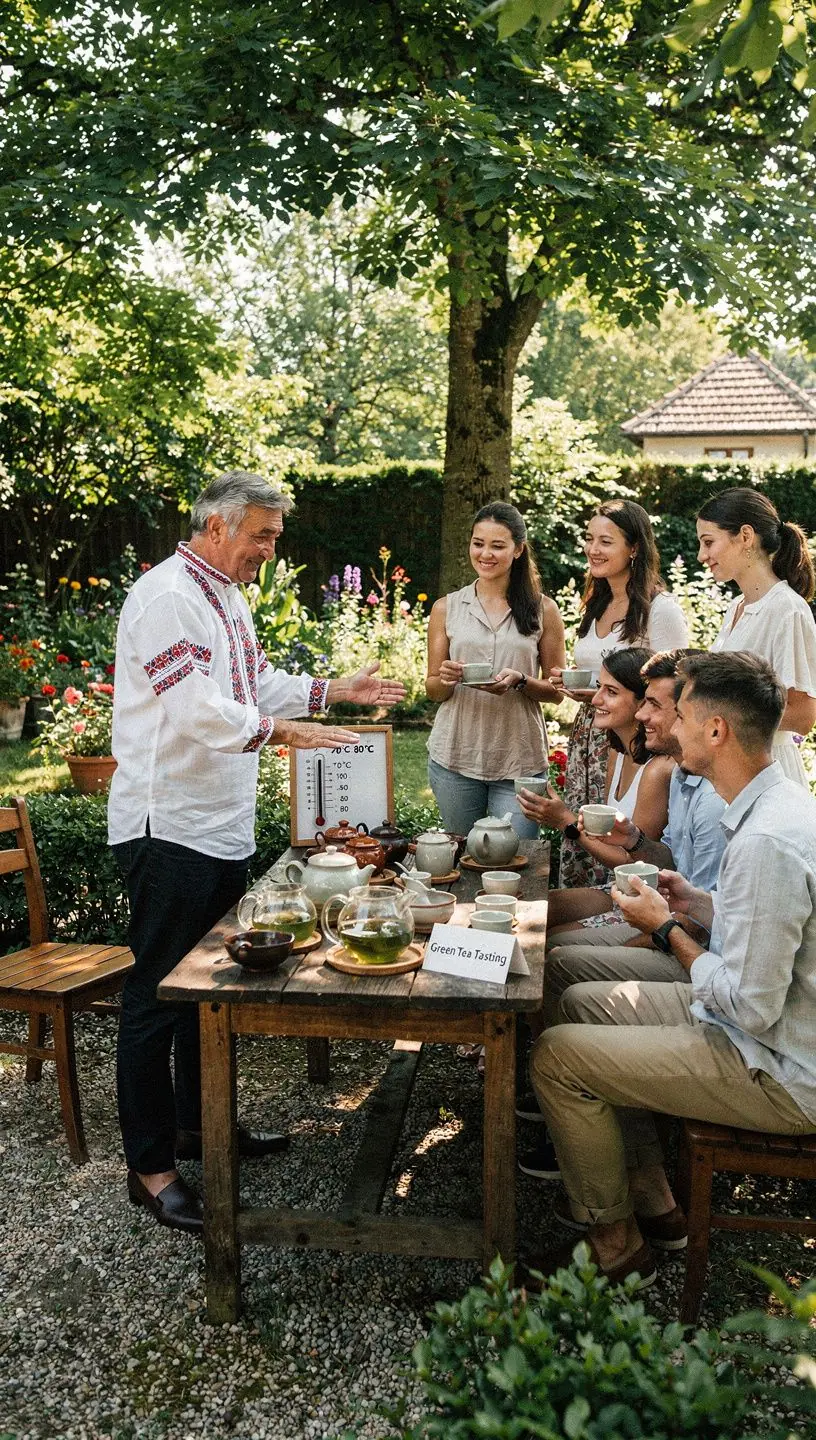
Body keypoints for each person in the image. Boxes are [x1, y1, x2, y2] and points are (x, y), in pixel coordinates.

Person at [109, 470, 406, 1234]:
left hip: (218, 825)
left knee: (205, 994)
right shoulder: (169, 595)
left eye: (275, 537)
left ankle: (199, 1129)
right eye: (262, 535)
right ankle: (150, 1168)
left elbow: (252, 683)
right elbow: (199, 709)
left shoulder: (225, 594)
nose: (271, 550)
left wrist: (336, 690)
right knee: (154, 999)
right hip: (167, 825)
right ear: (216, 527)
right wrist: (288, 734)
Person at [527, 651, 816, 1290]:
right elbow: (760, 939)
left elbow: (751, 1008)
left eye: (679, 714)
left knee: (557, 1056)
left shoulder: (767, 840)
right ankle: (652, 1203)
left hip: (781, 1067)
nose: (670, 729)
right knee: (575, 998)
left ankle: (615, 1249)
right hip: (761, 1027)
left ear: (716, 731)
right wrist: (699, 903)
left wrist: (665, 928)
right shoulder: (774, 806)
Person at [555, 501, 688, 889]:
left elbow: (674, 684)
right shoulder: (596, 603)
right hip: (591, 735)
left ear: (634, 548)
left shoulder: (659, 610)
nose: (593, 549)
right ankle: (587, 900)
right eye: (589, 539)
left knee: (616, 831)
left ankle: (616, 905)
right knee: (586, 828)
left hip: (633, 737)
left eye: (606, 541)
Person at [425, 501, 565, 840]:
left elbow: (556, 691)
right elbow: (432, 689)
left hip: (519, 760)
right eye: (478, 543)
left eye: (497, 545)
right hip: (455, 756)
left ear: (518, 550)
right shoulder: (446, 608)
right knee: (460, 856)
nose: (485, 553)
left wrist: (520, 681)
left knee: (518, 860)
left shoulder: (544, 610)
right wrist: (446, 679)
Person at [518, 647, 672, 931]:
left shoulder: (658, 769)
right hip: (616, 891)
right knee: (525, 910)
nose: (596, 699)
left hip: (647, 902)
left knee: (543, 938)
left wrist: (565, 822)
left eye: (611, 692)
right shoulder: (617, 751)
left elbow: (630, 861)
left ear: (642, 702)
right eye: (599, 687)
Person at [698, 487, 816, 788]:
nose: (702, 556)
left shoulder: (787, 609)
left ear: (746, 536)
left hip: (769, 772)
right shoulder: (737, 607)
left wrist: (720, 714)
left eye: (709, 542)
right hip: (734, 770)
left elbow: (803, 715)